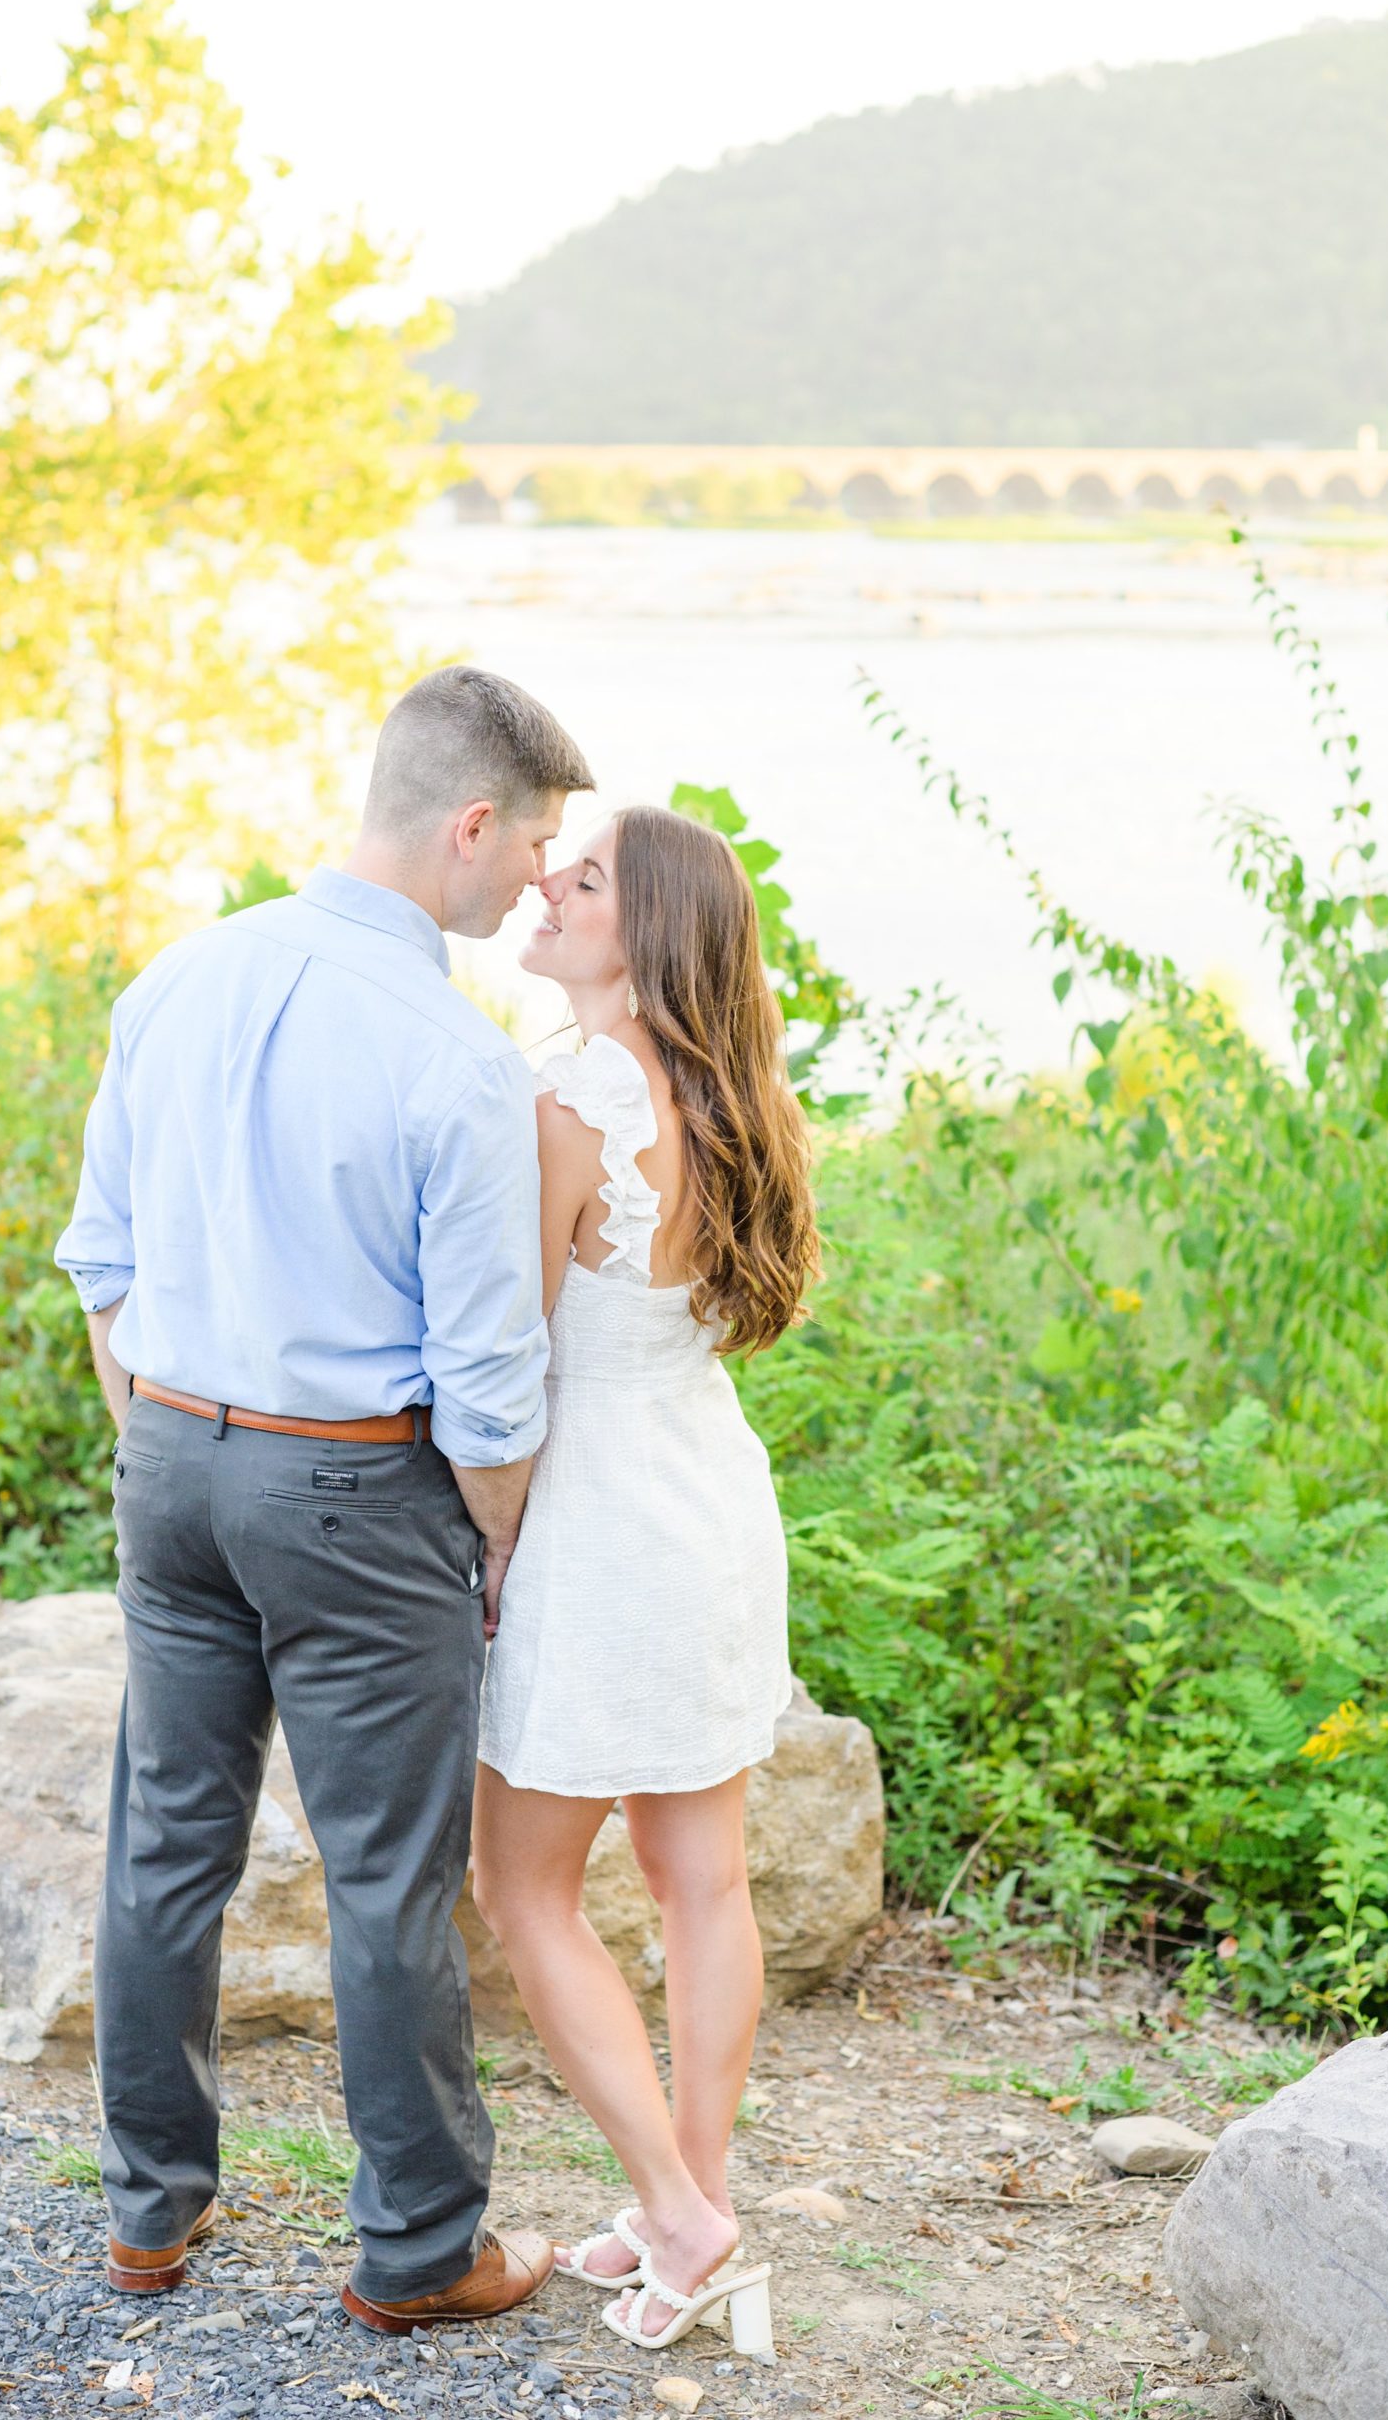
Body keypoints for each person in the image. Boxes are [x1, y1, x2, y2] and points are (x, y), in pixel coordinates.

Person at [53, 665, 594, 2332]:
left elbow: (102, 1259)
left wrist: (165, 1439)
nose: (532, 887)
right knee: (387, 1882)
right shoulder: (457, 1057)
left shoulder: (181, 977)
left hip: (173, 1457)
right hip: (360, 1490)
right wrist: (487, 1544)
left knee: (165, 1846)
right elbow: (491, 1378)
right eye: (536, 848)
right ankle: (420, 2253)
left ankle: (149, 2217)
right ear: (472, 823)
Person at [471, 804, 821, 2357]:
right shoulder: (729, 1097)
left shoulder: (565, 1100)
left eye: (587, 876)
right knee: (703, 1884)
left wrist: (481, 1547)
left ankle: (679, 2216)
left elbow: (505, 1362)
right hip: (709, 1504)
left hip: (598, 1522)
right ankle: (701, 2196)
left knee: (522, 1888)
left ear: (648, 934)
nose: (547, 881)